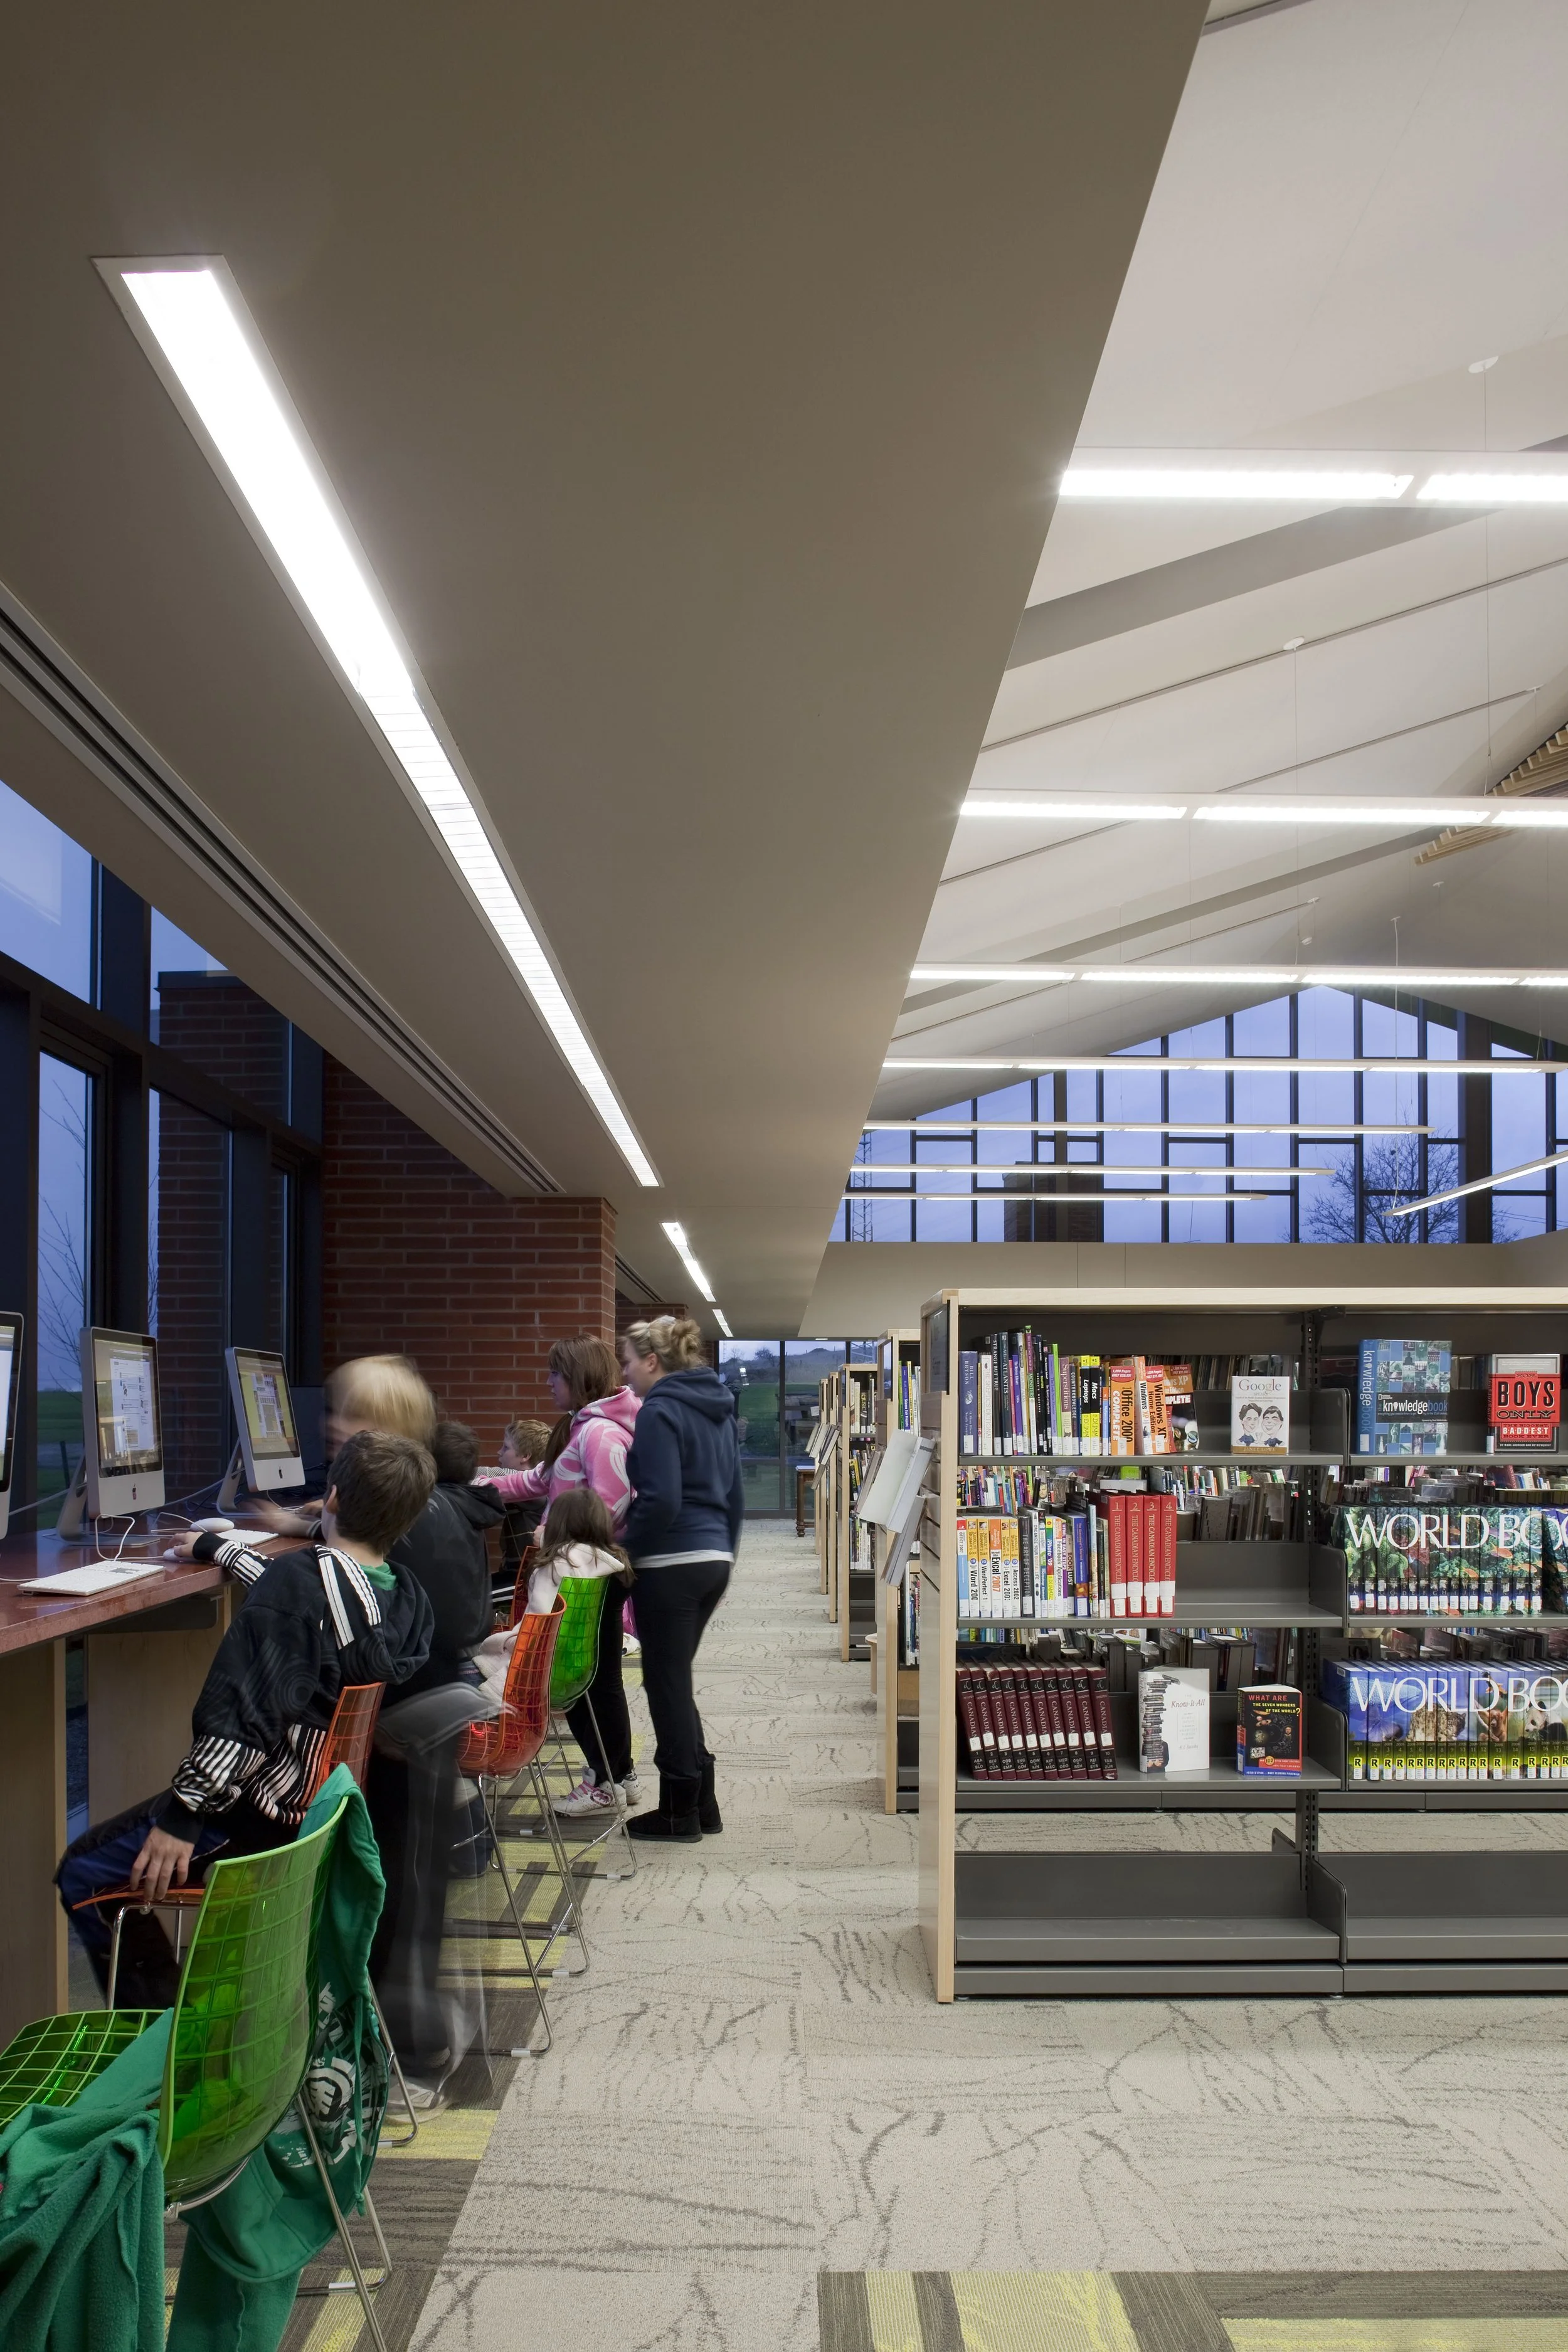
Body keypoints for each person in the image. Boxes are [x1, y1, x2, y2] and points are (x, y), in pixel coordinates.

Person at [56, 1429, 435, 2006]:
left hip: (256, 1818)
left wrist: (183, 1815)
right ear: (405, 1523)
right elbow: (317, 1614)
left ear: (330, 1498)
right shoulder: (403, 1598)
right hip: (319, 1808)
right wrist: (222, 1551)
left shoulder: (299, 1587)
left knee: (83, 1872)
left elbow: (243, 1718)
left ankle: (163, 2038)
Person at [489, 1337, 641, 1816]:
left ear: (577, 1378)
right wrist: (478, 1486)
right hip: (584, 1567)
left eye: (555, 1375)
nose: (548, 1383)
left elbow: (611, 1505)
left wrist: (554, 1532)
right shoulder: (579, 1429)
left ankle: (607, 1780)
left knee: (582, 1681)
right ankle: (618, 1774)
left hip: (588, 1572)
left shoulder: (600, 1435)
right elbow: (538, 1481)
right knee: (594, 1680)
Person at [619, 1315, 744, 1843]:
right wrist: (724, 1554)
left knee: (664, 1682)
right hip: (713, 1555)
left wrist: (627, 1553)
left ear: (652, 1361)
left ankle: (678, 1810)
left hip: (670, 1561)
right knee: (674, 1679)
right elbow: (736, 1495)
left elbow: (663, 1498)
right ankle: (702, 1803)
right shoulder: (717, 1409)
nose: (624, 1374)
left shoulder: (659, 1410)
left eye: (627, 1361)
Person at [472, 1490, 636, 1810]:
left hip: (551, 1668)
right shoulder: (614, 1564)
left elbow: (537, 1625)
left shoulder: (554, 1564)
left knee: (474, 1665)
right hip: (592, 1661)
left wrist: (501, 1641)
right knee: (606, 1695)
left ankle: (603, 1783)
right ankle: (620, 1775)